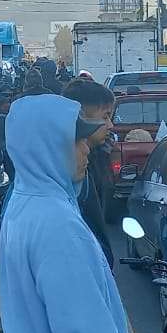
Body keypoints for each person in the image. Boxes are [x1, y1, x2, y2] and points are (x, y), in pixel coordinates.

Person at [0, 94, 138, 333]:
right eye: (76, 141)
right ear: (46, 146)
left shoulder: (21, 201)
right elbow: (82, 330)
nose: (87, 149)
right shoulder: (57, 225)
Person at [62, 78, 119, 266]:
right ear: (81, 116)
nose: (110, 125)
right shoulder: (72, 171)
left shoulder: (93, 158)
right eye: (105, 117)